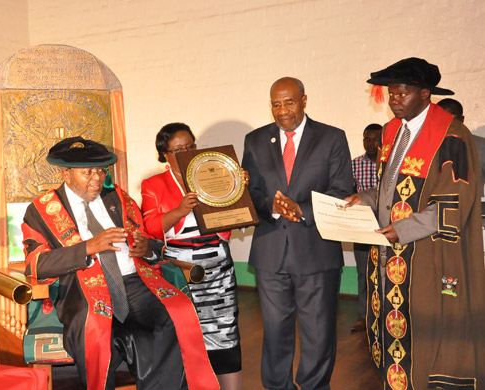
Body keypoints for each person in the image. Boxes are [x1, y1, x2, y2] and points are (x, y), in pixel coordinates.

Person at [21, 136, 218, 390]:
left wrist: (145, 248)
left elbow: (151, 242)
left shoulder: (119, 199)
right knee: (97, 331)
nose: (97, 178)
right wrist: (88, 247)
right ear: (66, 174)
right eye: (87, 172)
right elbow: (36, 264)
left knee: (174, 315)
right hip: (83, 291)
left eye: (101, 171)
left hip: (135, 282)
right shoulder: (41, 210)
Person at [345, 57, 485, 389]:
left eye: (402, 94)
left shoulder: (452, 136)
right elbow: (391, 186)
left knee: (425, 333)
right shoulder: (393, 132)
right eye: (391, 94)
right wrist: (363, 198)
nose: (394, 101)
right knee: (395, 330)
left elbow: (456, 201)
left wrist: (403, 229)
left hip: (428, 254)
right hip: (391, 252)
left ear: (425, 94)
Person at [242, 77, 354, 390]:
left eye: (289, 102)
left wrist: (301, 208)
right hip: (270, 251)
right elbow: (248, 191)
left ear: (304, 100)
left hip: (316, 250)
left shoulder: (332, 138)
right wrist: (273, 206)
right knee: (275, 331)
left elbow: (343, 189)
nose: (282, 111)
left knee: (318, 331)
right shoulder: (255, 140)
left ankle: (315, 386)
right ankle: (277, 386)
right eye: (275, 104)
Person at [141, 123, 242, 390]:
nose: (186, 153)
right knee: (186, 333)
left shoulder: (213, 172)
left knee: (225, 330)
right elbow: (151, 227)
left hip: (217, 263)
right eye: (178, 150)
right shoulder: (153, 184)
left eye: (190, 147)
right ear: (164, 154)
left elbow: (234, 212)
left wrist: (238, 187)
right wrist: (180, 210)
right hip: (179, 267)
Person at [350, 123, 382, 333]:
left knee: (385, 273)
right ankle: (365, 316)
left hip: (387, 224)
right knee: (364, 272)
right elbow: (349, 191)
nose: (370, 143)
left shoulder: (389, 163)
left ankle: (385, 318)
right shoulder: (354, 164)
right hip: (362, 225)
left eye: (375, 139)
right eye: (366, 139)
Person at [437, 97, 485, 195]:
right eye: (440, 116)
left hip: (472, 208)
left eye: (451, 116)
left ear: (461, 119)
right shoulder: (425, 145)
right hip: (434, 208)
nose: (445, 121)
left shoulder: (481, 146)